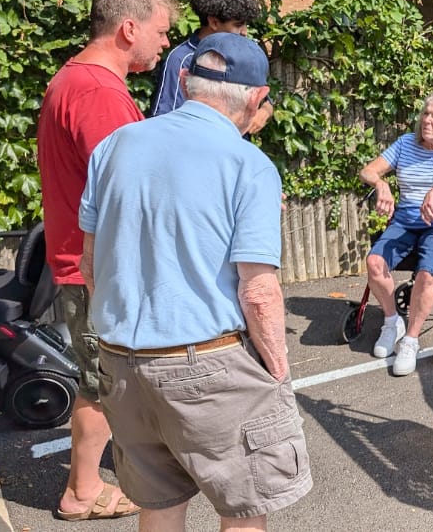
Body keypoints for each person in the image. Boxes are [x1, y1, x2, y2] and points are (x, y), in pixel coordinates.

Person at [79, 33, 312, 531]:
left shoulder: (114, 146)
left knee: (159, 506)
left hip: (123, 362)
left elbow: (91, 265)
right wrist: (277, 371)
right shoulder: (248, 164)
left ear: (184, 81)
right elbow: (258, 290)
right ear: (256, 98)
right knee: (244, 509)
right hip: (208, 363)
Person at [37, 0, 176, 522]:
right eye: (160, 31)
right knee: (102, 382)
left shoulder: (78, 80)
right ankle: (83, 491)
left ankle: (96, 478)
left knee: (103, 377)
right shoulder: (98, 93)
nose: (164, 43)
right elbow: (132, 192)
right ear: (128, 28)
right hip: (98, 268)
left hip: (84, 261)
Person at [359, 93, 433, 376]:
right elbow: (367, 171)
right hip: (407, 221)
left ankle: (410, 340)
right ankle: (392, 322)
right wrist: (381, 184)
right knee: (374, 263)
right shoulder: (405, 144)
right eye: (426, 114)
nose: (428, 120)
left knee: (426, 271)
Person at [151, 0, 260, 117]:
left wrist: (265, 111)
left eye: (246, 25)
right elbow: (166, 116)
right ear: (214, 22)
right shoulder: (181, 60)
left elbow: (262, 97)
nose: (244, 32)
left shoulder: (241, 56)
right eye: (238, 25)